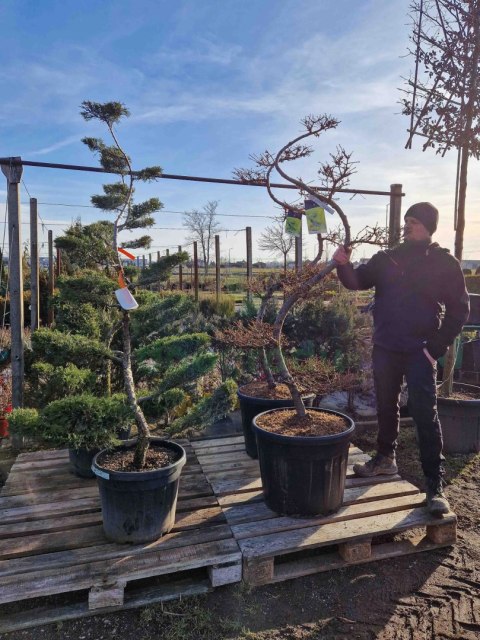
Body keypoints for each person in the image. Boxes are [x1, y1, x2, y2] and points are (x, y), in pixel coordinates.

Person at [333, 202, 470, 515]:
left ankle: (434, 486)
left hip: (420, 351)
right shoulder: (387, 257)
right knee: (385, 404)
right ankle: (385, 458)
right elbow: (356, 282)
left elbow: (460, 310)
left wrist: (433, 348)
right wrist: (343, 264)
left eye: (413, 221)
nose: (407, 225)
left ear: (428, 227)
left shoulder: (443, 262)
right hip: (386, 347)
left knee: (424, 413)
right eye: (406, 220)